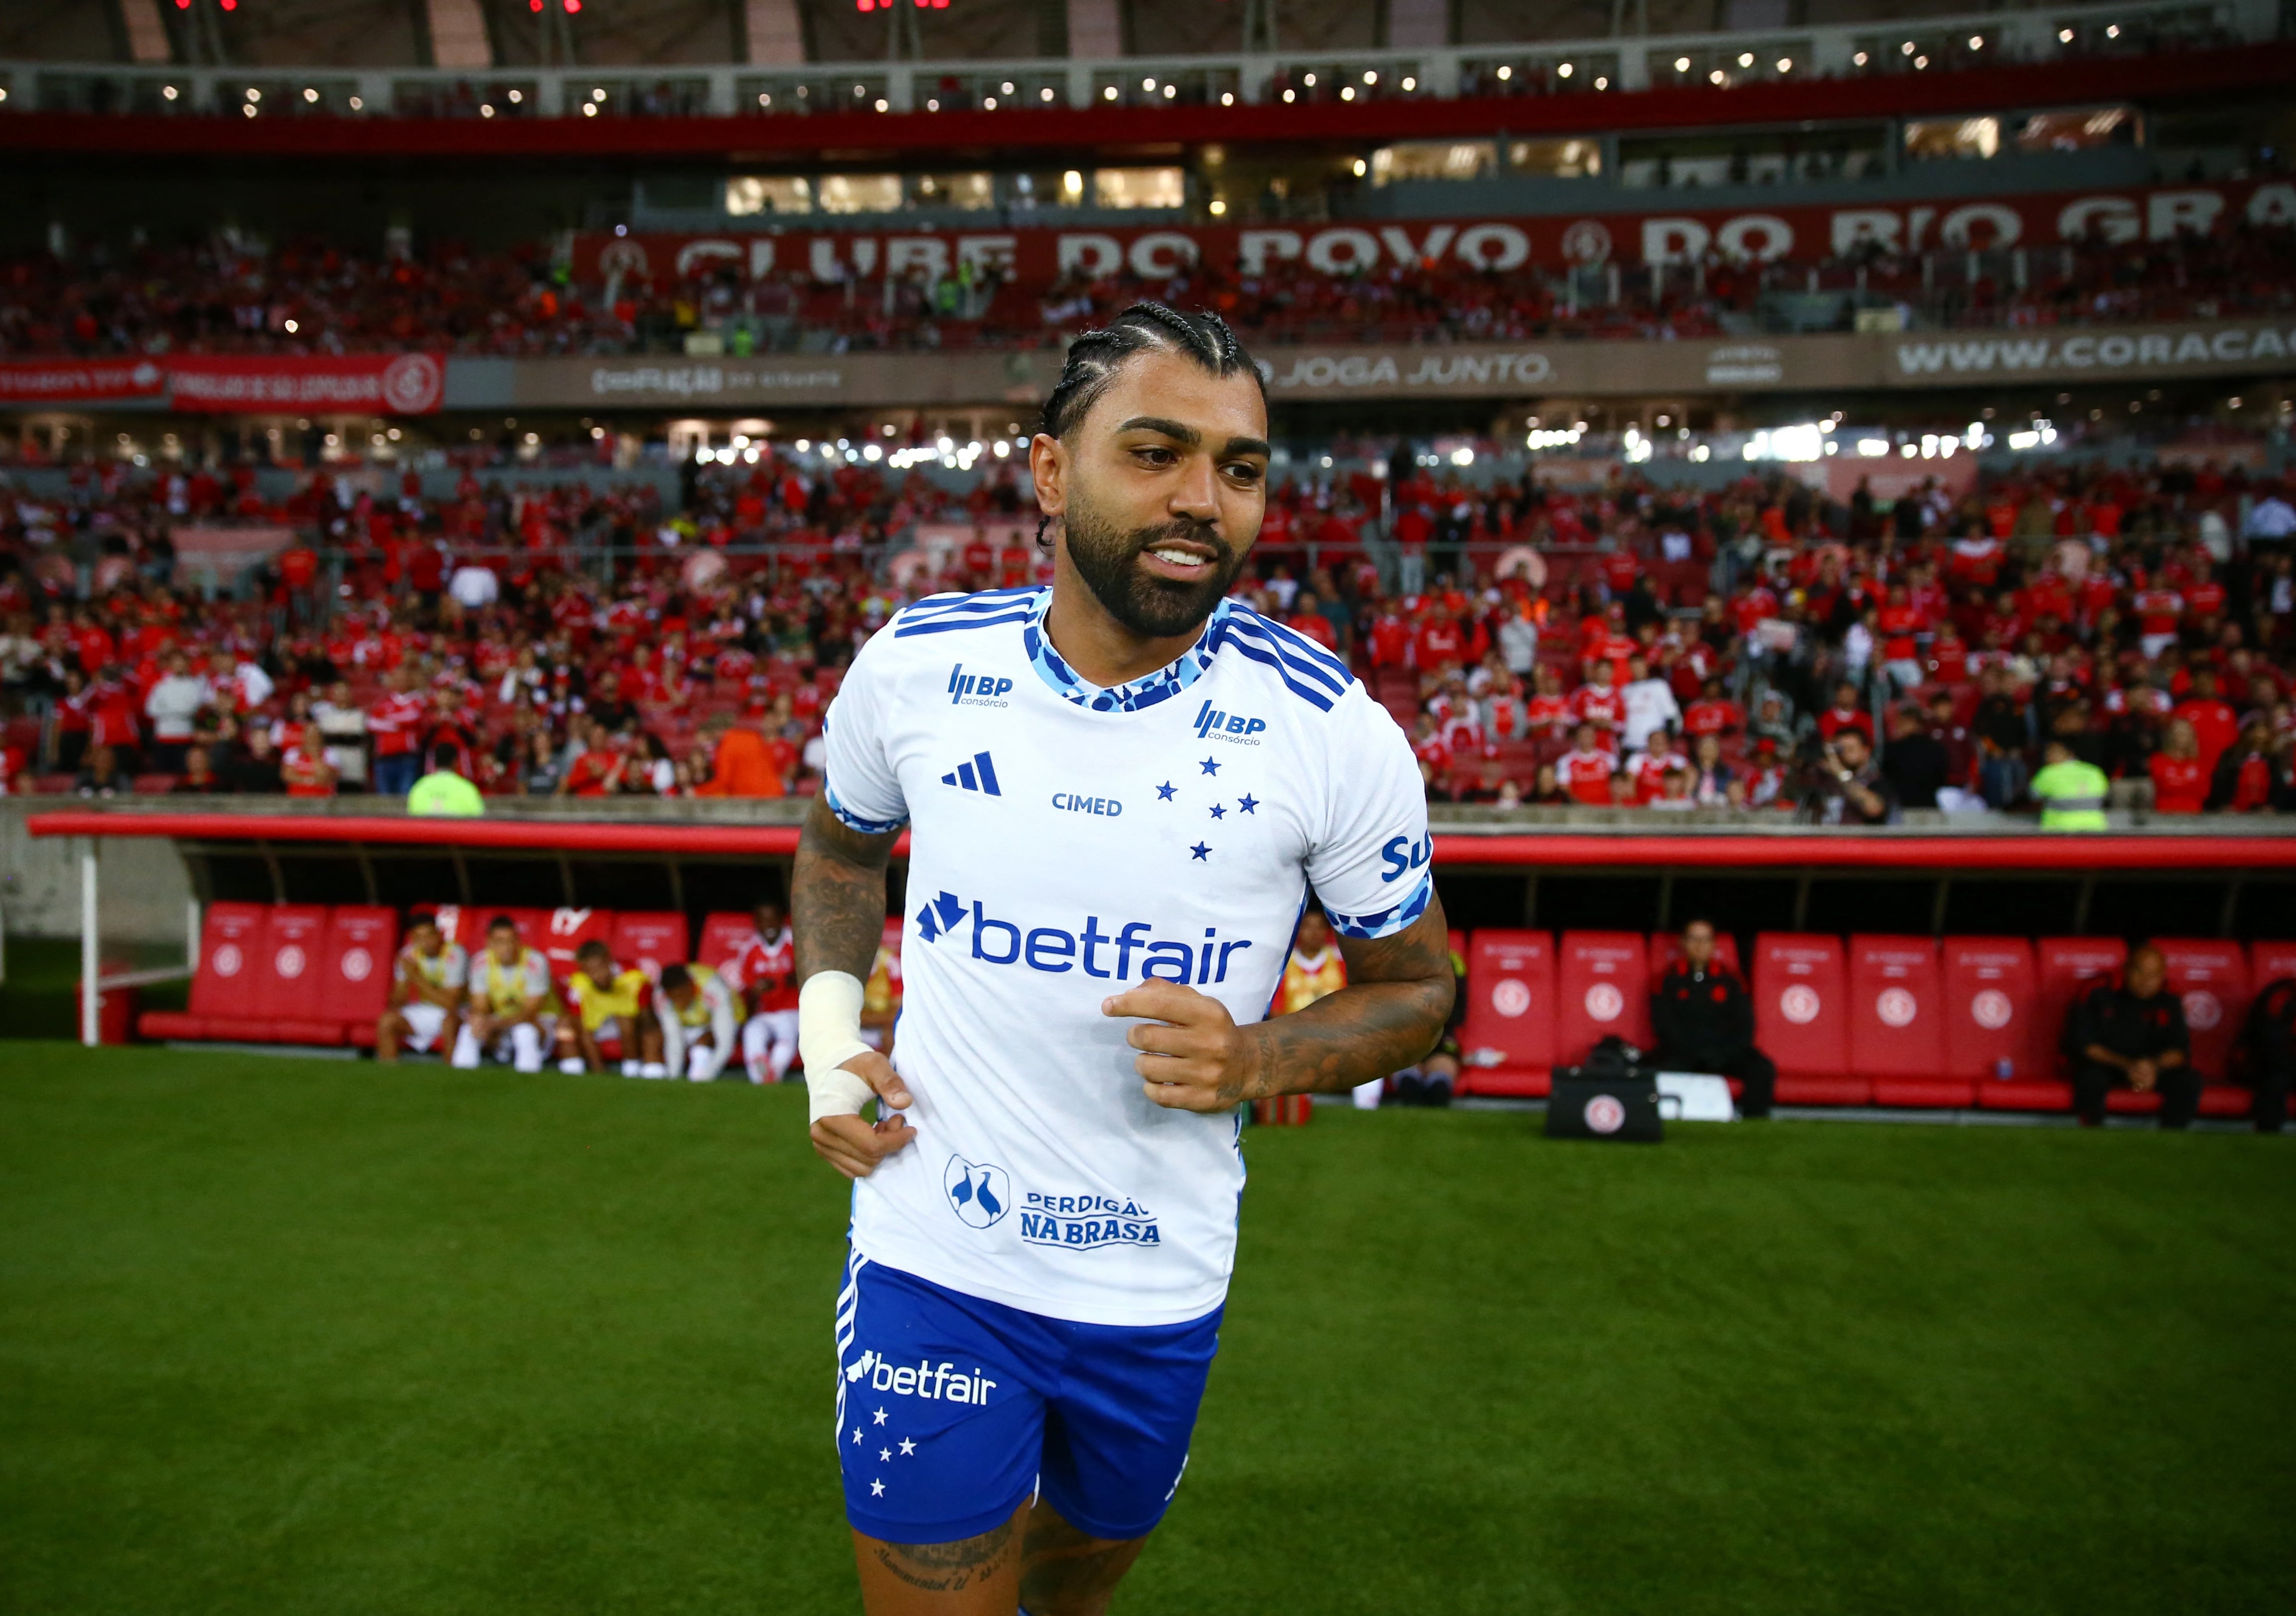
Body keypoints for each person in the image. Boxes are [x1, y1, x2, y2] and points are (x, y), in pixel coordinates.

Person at [792, 303, 1452, 1614]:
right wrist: (828, 1044)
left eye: (1240, 466)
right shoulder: (919, 668)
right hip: (941, 1255)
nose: (1201, 499)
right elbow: (837, 851)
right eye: (1154, 452)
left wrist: (1258, 1053)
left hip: (1158, 1282)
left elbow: (1424, 989)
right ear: (1049, 470)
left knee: (1070, 1590)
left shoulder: (1331, 732)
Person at [1648, 919, 1775, 1119]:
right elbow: (1664, 1025)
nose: (1700, 945)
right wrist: (1693, 1051)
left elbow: (1745, 1026)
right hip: (1684, 1053)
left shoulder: (1732, 980)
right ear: (1683, 943)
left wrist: (1722, 1053)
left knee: (1762, 1069)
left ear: (1714, 944)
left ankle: (1754, 1123)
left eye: (1705, 939)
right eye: (1694, 939)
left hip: (1723, 1053)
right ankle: (1672, 1120)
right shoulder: (1666, 980)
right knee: (1661, 1070)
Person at [2065, 944, 2197, 1128]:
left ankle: (2171, 1139)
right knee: (2091, 1079)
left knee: (2189, 1081)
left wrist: (2153, 1067)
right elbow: (2086, 1046)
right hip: (2110, 1065)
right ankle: (2092, 1135)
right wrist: (2129, 1066)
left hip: (2151, 1069)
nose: (2146, 981)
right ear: (2126, 969)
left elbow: (2179, 1051)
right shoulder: (2099, 992)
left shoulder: (2170, 998)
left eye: (2154, 976)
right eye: (2140, 972)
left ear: (2162, 976)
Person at [1274, 905, 1360, 1105]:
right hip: (1295, 1038)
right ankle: (1302, 1105)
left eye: (1319, 927)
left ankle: (1366, 1111)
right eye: (1308, 927)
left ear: (1327, 931)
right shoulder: (1283, 965)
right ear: (1298, 930)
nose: (1314, 933)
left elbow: (1356, 1003)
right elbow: (1277, 1011)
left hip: (1338, 1035)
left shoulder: (1342, 961)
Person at [453, 915, 555, 1074]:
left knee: (524, 1032)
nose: (507, 947)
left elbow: (530, 1013)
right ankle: (461, 1081)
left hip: (541, 1022)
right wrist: (481, 1020)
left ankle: (528, 1080)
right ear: (490, 943)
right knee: (469, 1029)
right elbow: (480, 1005)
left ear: (518, 941)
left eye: (511, 940)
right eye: (500, 942)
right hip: (501, 1021)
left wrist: (493, 1024)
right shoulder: (481, 962)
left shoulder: (535, 962)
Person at [557, 937, 664, 1077]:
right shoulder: (578, 985)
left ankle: (632, 1068)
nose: (597, 976)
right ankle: (586, 1069)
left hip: (630, 1024)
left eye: (600, 968)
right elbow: (581, 1024)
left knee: (628, 1021)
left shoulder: (633, 976)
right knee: (565, 1026)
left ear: (609, 961)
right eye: (590, 971)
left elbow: (646, 1014)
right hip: (597, 1026)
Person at [377, 914, 468, 1063]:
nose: (425, 942)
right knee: (387, 1021)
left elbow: (451, 1003)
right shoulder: (408, 955)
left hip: (456, 1011)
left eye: (429, 936)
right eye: (419, 938)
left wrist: (416, 977)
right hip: (424, 1009)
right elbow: (398, 1001)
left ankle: (451, 1076)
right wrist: (402, 987)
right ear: (412, 938)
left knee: (450, 1024)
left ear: (439, 934)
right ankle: (389, 1077)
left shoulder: (455, 954)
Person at [730, 899, 802, 1083]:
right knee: (752, 1033)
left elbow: (805, 975)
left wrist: (779, 981)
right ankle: (760, 1079)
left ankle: (773, 1074)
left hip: (792, 1010)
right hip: (764, 1012)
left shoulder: (795, 943)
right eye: (764, 920)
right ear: (756, 923)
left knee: (786, 1034)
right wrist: (759, 988)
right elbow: (748, 986)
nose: (769, 925)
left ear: (782, 921)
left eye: (773, 920)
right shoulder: (750, 949)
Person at [655, 961, 739, 1082]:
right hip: (692, 1024)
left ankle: (698, 1078)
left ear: (690, 986)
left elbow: (725, 1044)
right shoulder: (661, 996)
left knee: (701, 1046)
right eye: (674, 998)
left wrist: (707, 1077)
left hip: (728, 1017)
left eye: (681, 996)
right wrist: (673, 1078)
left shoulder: (713, 988)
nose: (679, 1003)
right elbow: (673, 1039)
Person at [1801, 728, 1897, 825]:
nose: (1845, 753)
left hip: (1861, 838)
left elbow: (1873, 809)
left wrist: (1839, 772)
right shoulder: (1827, 779)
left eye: (1851, 749)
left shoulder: (1877, 781)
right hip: (1826, 838)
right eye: (1841, 749)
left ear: (1866, 751)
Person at [2244, 974, 2296, 1134]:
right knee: (2275, 1081)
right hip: (2271, 1063)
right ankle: (2266, 1136)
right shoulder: (2282, 995)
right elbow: (2266, 1041)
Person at [2030, 738, 2109, 831]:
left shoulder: (2048, 773)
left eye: (2050, 753)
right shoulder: (2095, 771)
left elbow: (2033, 796)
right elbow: (2106, 794)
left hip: (2059, 831)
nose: (2047, 757)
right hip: (2096, 829)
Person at [408, 741, 485, 817]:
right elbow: (478, 818)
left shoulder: (420, 787)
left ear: (435, 762)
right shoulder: (467, 788)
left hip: (425, 829)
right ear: (455, 762)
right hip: (457, 829)